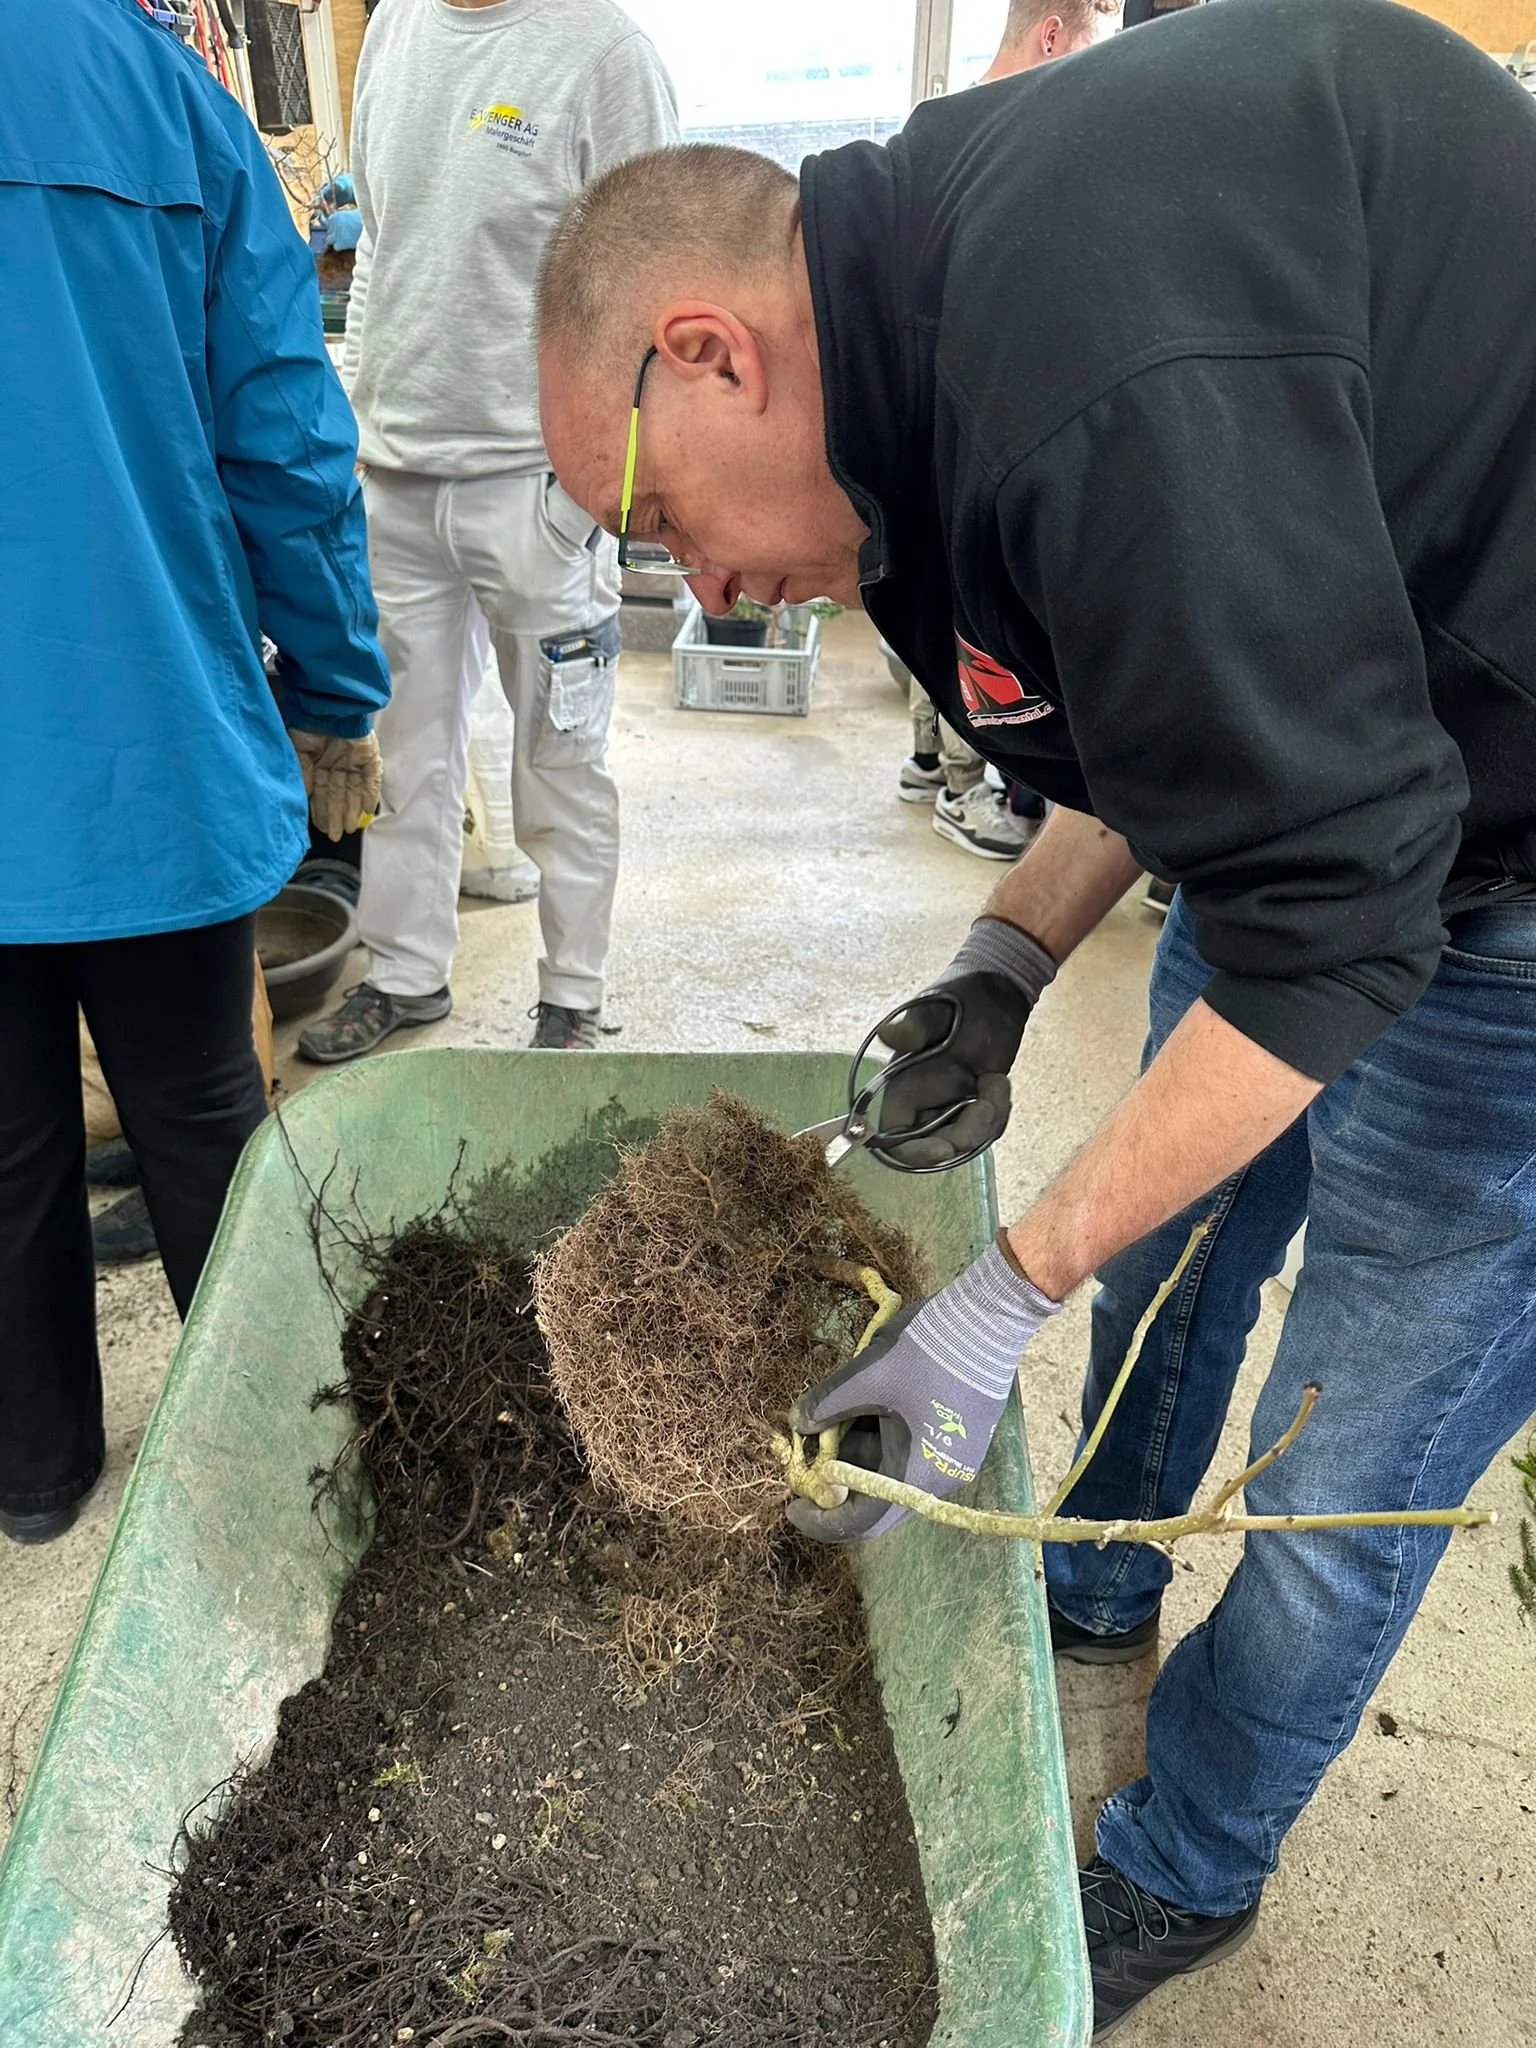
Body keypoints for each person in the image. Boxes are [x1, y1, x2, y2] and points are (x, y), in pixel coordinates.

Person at [533, 0, 1536, 2033]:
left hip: (1492, 847)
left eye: (650, 518)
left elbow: (1341, 921)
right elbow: (1141, 688)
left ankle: (1189, 1858)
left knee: (1358, 1426)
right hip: (1324, 778)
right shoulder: (906, 371)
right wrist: (1004, 960)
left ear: (713, 353)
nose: (697, 593)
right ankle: (1087, 1581)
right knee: (1170, 1214)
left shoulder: (1086, 355)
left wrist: (995, 1290)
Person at [0, 0, 388, 1545]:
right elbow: (284, 437)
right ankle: (270, 1470)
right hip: (135, 729)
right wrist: (336, 683)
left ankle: (34, 1480)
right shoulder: (158, 94)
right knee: (196, 1102)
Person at [298, 0, 677, 1064]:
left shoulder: (606, 55)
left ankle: (571, 997)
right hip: (400, 473)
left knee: (560, 756)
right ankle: (405, 972)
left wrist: (601, 484)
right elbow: (378, 242)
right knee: (403, 755)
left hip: (535, 483)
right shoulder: (393, 32)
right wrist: (362, 421)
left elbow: (654, 294)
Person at [894, 0, 1113, 858]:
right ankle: (972, 789)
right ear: (1053, 35)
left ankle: (930, 763)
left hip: (943, 454)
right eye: (1092, 50)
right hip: (985, 450)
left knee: (938, 614)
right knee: (986, 638)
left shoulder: (926, 138)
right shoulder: (1011, 152)